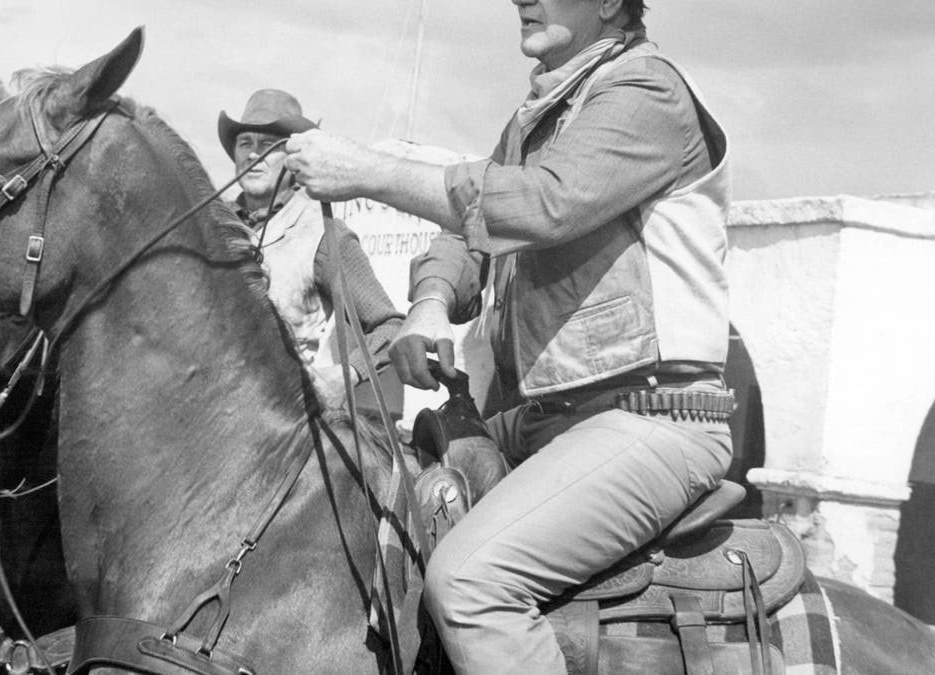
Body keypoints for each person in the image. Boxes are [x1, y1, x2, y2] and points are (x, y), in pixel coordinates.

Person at [285, 0, 734, 671]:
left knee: (468, 581)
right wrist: (429, 303)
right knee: (383, 486)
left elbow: (539, 203)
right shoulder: (545, 114)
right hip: (551, 421)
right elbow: (467, 231)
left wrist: (369, 171)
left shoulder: (647, 92)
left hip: (655, 420)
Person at [217, 89, 404, 413]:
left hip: (283, 422)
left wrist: (345, 376)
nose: (252, 155)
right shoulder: (210, 224)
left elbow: (391, 328)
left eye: (268, 146)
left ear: (294, 156)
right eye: (245, 143)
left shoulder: (322, 233)